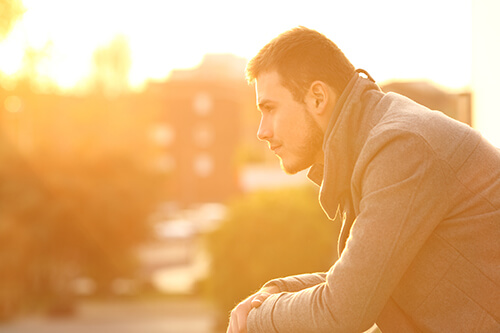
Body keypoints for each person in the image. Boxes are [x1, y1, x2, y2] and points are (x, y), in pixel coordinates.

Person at [226, 26, 500, 333]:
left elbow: (342, 312)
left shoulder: (401, 147)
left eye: (270, 109)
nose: (262, 131)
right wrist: (276, 292)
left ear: (317, 97)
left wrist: (256, 319)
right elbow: (362, 284)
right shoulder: (373, 141)